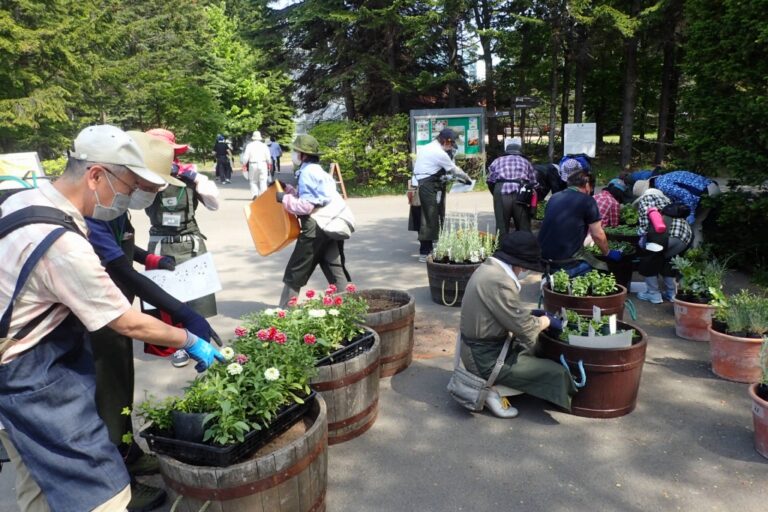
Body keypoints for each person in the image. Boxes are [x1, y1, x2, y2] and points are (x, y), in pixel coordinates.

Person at [0, 125, 223, 512]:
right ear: (96, 175)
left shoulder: (28, 199)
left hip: (14, 372)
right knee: (104, 496)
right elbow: (125, 321)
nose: (130, 199)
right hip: (31, 379)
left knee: (38, 485)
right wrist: (189, 339)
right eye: (129, 187)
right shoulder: (64, 245)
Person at [85, 131, 221, 511]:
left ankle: (127, 452)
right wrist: (184, 317)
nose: (143, 193)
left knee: (121, 388)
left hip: (117, 308)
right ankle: (119, 483)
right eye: (141, 185)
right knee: (105, 399)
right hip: (102, 317)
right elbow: (119, 269)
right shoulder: (92, 210)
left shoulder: (113, 204)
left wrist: (150, 259)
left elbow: (124, 244)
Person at [459, 230, 577, 418]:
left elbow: (502, 312)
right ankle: (490, 389)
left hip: (481, 347)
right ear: (519, 264)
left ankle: (498, 383)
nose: (525, 271)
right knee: (557, 373)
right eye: (525, 267)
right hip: (484, 359)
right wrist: (546, 320)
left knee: (536, 348)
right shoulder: (499, 281)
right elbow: (525, 328)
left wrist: (531, 315)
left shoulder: (489, 269)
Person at [144, 128, 220, 368]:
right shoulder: (144, 178)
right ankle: (177, 345)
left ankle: (201, 341)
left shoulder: (190, 175)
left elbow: (214, 204)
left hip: (190, 241)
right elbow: (136, 202)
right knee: (166, 299)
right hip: (160, 243)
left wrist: (195, 178)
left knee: (197, 298)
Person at [276, 134, 352, 307]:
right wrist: (288, 190)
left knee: (297, 269)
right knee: (333, 265)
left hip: (315, 226)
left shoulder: (307, 173)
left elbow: (306, 206)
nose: (294, 154)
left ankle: (285, 312)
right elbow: (314, 197)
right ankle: (347, 306)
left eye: (296, 151)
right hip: (330, 223)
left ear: (303, 155)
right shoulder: (318, 171)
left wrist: (283, 199)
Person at [538, 169, 622, 277]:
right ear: (587, 185)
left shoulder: (554, 197)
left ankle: (551, 279)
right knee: (601, 269)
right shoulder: (588, 201)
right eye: (591, 187)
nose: (591, 190)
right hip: (565, 261)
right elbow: (597, 234)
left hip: (542, 257)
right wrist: (608, 252)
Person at [411, 128, 471, 262]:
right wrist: (467, 179)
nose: (452, 147)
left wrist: (444, 178)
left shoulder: (427, 147)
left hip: (419, 184)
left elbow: (429, 168)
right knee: (428, 218)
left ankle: (429, 248)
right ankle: (425, 252)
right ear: (445, 141)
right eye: (451, 144)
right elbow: (454, 170)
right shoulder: (439, 153)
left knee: (424, 216)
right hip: (427, 186)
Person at [633, 184, 693, 303]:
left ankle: (653, 294)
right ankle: (671, 294)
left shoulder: (646, 200)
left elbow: (645, 226)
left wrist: (640, 240)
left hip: (664, 235)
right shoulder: (666, 201)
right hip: (685, 235)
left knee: (649, 260)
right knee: (669, 261)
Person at [638, 170, 720, 247]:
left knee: (694, 225)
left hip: (706, 193)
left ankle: (692, 252)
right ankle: (698, 253)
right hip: (712, 188)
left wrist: (691, 213)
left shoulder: (663, 185)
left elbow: (686, 195)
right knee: (698, 224)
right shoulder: (664, 178)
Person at [486, 137, 538, 233]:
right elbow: (533, 183)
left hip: (501, 191)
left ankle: (501, 247)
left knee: (501, 226)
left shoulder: (497, 161)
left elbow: (490, 180)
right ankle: (524, 246)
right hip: (521, 193)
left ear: (506, 152)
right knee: (523, 226)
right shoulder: (526, 162)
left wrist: (496, 194)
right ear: (519, 152)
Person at [241, 130, 272, 199]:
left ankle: (255, 194)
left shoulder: (249, 145)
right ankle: (263, 196)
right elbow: (268, 157)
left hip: (253, 164)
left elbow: (246, 156)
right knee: (263, 180)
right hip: (263, 164)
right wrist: (269, 163)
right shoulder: (264, 145)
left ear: (253, 138)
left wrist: (244, 164)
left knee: (253, 181)